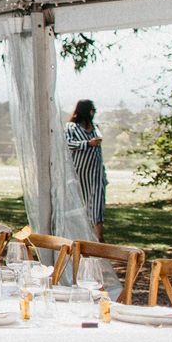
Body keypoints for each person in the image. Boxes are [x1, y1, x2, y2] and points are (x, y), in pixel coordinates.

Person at [65, 99, 105, 241]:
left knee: (97, 207)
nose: (93, 113)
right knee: (79, 206)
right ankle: (79, 238)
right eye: (91, 110)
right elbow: (67, 144)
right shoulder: (71, 127)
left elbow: (99, 150)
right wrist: (87, 143)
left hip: (96, 174)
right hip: (80, 173)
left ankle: (99, 239)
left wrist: (103, 175)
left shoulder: (95, 127)